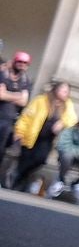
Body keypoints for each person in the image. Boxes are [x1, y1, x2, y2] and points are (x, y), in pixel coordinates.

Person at [11, 80, 77, 192]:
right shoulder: (41, 100)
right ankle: (16, 183)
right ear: (56, 89)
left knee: (40, 159)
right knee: (25, 159)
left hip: (47, 139)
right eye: (63, 90)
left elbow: (72, 119)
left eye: (67, 91)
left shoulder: (67, 105)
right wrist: (19, 131)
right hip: (32, 136)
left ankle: (17, 175)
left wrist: (62, 122)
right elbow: (27, 116)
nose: (65, 93)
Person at [0, 50, 34, 178]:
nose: (22, 64)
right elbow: (0, 94)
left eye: (25, 63)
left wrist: (8, 95)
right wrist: (17, 95)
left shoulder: (25, 81)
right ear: (14, 61)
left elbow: (24, 101)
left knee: (2, 149)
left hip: (10, 120)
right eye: (20, 61)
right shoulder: (3, 75)